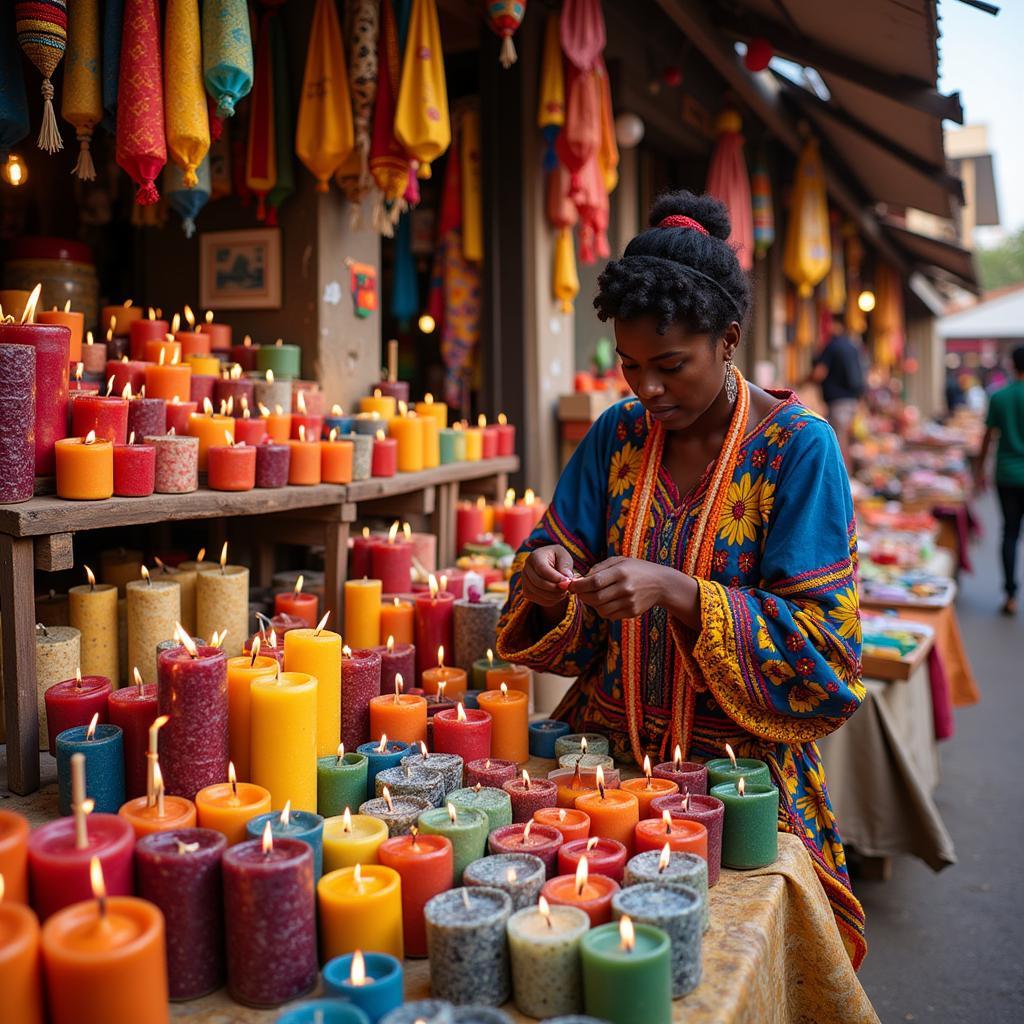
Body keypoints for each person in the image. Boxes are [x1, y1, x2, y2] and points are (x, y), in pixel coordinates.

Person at [497, 192, 868, 967]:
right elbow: (548, 551)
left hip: (742, 781)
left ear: (728, 340)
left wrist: (678, 592)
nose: (647, 390)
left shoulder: (800, 451)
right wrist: (542, 576)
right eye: (631, 366)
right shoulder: (617, 436)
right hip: (601, 758)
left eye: (670, 366)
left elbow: (828, 658)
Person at [975, 345, 1024, 615]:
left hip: (1006, 474)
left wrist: (979, 471)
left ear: (1012, 365)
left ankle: (1010, 595)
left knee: (1010, 533)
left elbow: (987, 437)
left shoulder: (1000, 397)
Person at [808, 321, 865, 466]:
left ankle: (843, 481)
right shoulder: (852, 346)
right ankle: (848, 478)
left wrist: (801, 381)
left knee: (838, 442)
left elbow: (819, 373)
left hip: (838, 401)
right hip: (852, 401)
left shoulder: (832, 346)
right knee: (845, 440)